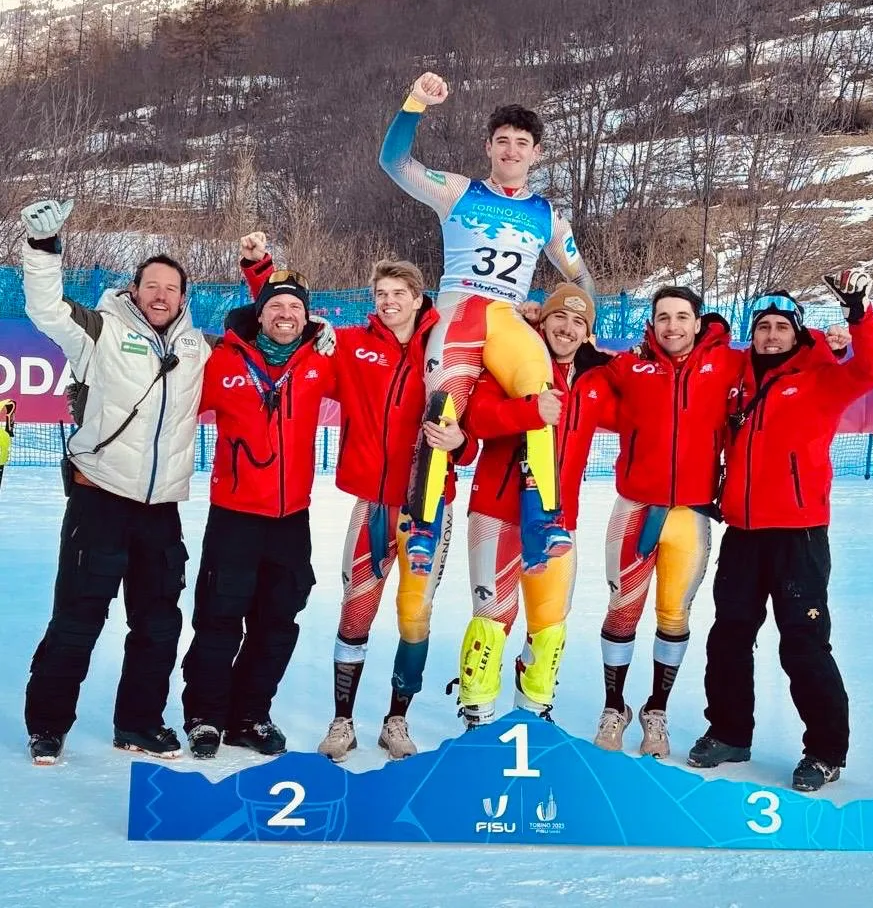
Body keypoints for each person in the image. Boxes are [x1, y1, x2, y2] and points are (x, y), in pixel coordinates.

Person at [241, 239, 471, 760]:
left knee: (415, 618)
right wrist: (262, 272)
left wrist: (464, 443)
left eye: (398, 292)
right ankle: (342, 721)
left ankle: (397, 720)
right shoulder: (349, 344)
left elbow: (473, 419)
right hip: (372, 504)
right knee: (355, 614)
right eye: (380, 293)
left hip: (428, 507)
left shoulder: (445, 349)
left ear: (418, 298)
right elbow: (284, 318)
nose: (388, 301)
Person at [20, 198, 213, 765]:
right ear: (134, 290)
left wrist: (313, 330)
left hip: (160, 510)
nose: (160, 295)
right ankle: (48, 725)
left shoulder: (196, 349)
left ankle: (139, 724)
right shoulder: (99, 332)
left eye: (170, 288)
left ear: (183, 297)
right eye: (150, 285)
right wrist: (44, 251)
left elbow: (262, 342)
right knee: (78, 619)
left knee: (157, 626)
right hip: (99, 499)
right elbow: (47, 309)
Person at [379, 72, 596, 576]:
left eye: (522, 144)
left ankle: (542, 521)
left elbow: (580, 273)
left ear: (536, 153)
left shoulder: (547, 215)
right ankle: (425, 524)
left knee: (542, 396)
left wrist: (585, 320)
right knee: (443, 407)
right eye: (503, 142)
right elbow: (394, 162)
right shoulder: (459, 191)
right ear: (489, 147)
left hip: (506, 318)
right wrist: (414, 103)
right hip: (459, 311)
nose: (512, 151)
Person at [688, 271, 873, 791]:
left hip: (799, 535)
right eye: (763, 327)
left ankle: (825, 751)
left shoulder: (823, 374)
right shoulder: (739, 375)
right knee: (729, 636)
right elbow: (704, 342)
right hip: (744, 533)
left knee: (802, 643)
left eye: (782, 326)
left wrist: (856, 316)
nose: (771, 335)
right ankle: (730, 732)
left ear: (797, 333)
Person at [181, 265, 336, 758]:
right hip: (235, 516)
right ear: (259, 314)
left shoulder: (322, 361)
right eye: (276, 306)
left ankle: (249, 715)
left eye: (296, 307)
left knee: (278, 624)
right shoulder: (222, 360)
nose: (286, 314)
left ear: (308, 317)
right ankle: (205, 716)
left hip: (292, 519)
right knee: (218, 619)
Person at [592, 286, 744, 758]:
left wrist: (837, 340)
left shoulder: (728, 364)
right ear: (651, 323)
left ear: (698, 322)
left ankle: (656, 710)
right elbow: (574, 354)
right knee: (622, 610)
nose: (672, 326)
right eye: (663, 317)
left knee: (674, 615)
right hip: (635, 510)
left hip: (691, 516)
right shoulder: (630, 365)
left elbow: (783, 357)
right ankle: (613, 706)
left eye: (681, 317)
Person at [456, 283, 615, 726]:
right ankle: (478, 715)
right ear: (541, 322)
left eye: (578, 322)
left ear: (588, 334)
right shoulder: (508, 365)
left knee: (549, 624)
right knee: (492, 618)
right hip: (496, 513)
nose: (566, 328)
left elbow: (649, 400)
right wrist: (531, 408)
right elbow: (479, 418)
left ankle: (533, 714)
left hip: (558, 518)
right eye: (558, 317)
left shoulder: (597, 380)